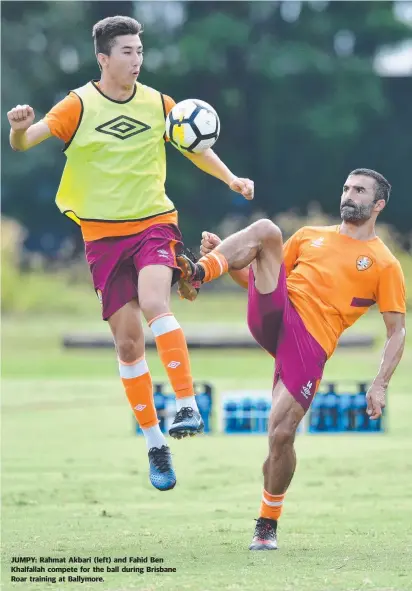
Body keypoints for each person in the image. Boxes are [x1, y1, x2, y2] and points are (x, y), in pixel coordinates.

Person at [7, 15, 254, 492]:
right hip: (102, 237)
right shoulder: (77, 105)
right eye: (127, 52)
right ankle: (155, 442)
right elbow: (26, 142)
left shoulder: (160, 104)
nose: (137, 60)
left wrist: (231, 178)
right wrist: (18, 129)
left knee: (157, 300)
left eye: (140, 51)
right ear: (103, 58)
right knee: (127, 343)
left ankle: (186, 402)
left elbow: (192, 145)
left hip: (153, 223)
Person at [177, 168, 406, 548]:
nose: (349, 195)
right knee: (266, 229)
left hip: (310, 344)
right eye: (347, 187)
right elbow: (258, 281)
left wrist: (379, 384)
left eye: (360, 191)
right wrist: (224, 258)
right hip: (276, 314)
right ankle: (199, 271)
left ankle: (267, 522)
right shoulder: (310, 236)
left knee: (281, 436)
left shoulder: (384, 264)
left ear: (378, 204)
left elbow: (397, 331)